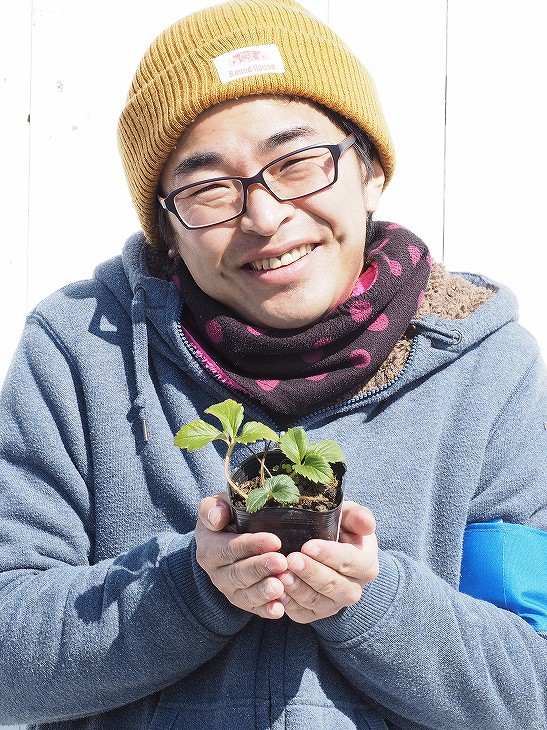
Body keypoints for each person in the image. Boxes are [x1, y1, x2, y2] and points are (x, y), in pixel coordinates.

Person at [0, 0, 546, 728]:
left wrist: (372, 602)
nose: (263, 216)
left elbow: (531, 683)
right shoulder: (78, 352)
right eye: (209, 189)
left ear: (370, 171)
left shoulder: (483, 367)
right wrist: (190, 586)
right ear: (166, 228)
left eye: (297, 163)